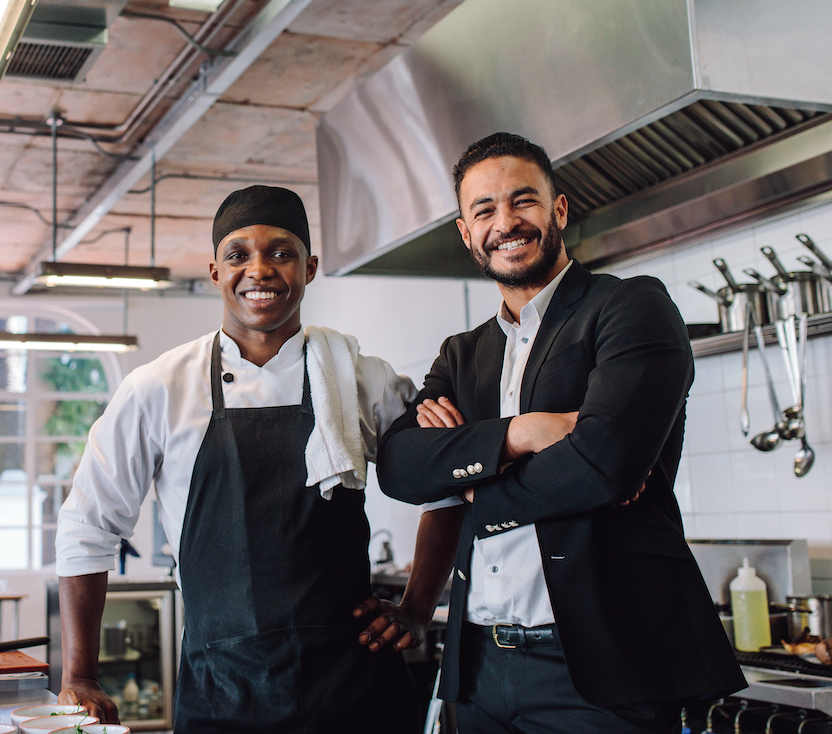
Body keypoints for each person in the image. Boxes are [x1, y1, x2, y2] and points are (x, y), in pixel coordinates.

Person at [54, 185, 464, 733]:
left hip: (355, 689)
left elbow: (446, 486)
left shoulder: (364, 379)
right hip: (224, 692)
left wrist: (416, 608)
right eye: (239, 254)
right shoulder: (158, 388)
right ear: (215, 271)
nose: (260, 270)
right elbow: (87, 526)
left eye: (281, 252)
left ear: (310, 267)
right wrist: (80, 673)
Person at [376, 133, 746, 733]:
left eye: (524, 201)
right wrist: (521, 434)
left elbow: (604, 463)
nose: (506, 222)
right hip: (476, 666)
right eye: (484, 210)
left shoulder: (629, 308)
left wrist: (473, 482)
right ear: (467, 234)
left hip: (599, 671)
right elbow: (399, 467)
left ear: (559, 211)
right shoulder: (462, 355)